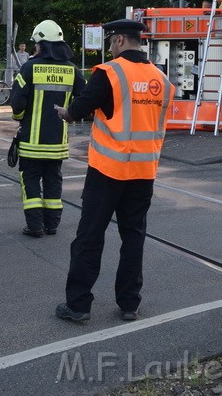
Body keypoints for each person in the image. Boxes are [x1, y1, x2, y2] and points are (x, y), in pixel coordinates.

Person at [54, 19, 173, 323]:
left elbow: (78, 110)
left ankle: (78, 305)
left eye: (110, 41)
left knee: (90, 236)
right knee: (133, 237)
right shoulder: (161, 79)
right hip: (144, 172)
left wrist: (64, 113)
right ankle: (130, 303)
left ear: (120, 40)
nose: (109, 46)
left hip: (108, 171)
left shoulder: (109, 73)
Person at [8, 20, 85, 237]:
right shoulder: (72, 70)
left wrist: (20, 118)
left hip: (32, 142)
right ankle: (52, 225)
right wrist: (70, 114)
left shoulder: (30, 67)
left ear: (41, 44)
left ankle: (34, 226)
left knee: (30, 182)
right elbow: (85, 99)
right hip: (57, 144)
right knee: (53, 181)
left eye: (36, 44)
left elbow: (17, 102)